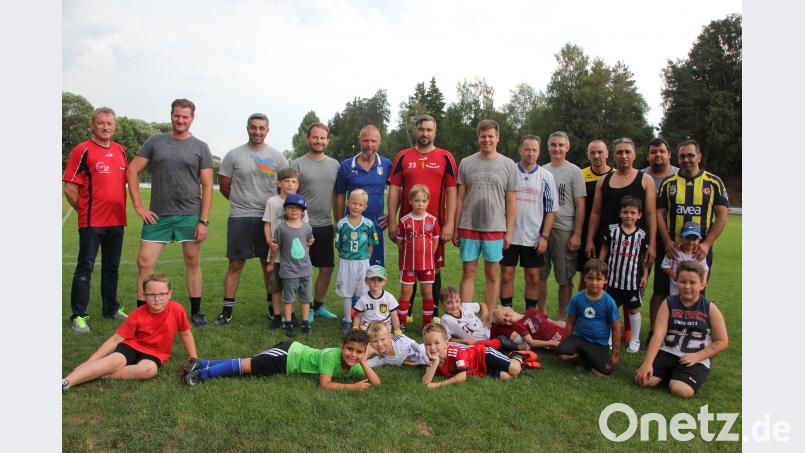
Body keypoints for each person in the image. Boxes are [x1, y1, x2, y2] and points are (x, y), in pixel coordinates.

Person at [126, 98, 213, 327]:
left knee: (192, 261)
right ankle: (141, 314)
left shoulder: (201, 147)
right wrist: (138, 206)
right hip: (159, 215)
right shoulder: (155, 142)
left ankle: (196, 311)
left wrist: (203, 221)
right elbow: (132, 170)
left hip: (189, 214)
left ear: (192, 119)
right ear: (171, 115)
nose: (180, 120)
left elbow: (207, 186)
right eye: (177, 115)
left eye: (185, 116)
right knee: (144, 262)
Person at [62, 273, 198, 393]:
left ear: (170, 294)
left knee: (149, 370)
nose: (157, 298)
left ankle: (103, 374)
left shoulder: (177, 310)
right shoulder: (138, 314)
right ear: (144, 295)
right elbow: (115, 339)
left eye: (162, 294)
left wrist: (194, 359)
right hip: (132, 346)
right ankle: (66, 382)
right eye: (151, 294)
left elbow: (185, 334)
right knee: (115, 360)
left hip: (156, 353)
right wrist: (89, 361)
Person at [652, 139, 729, 341]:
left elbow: (722, 216)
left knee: (695, 291)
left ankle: (694, 335)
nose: (686, 159)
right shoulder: (669, 184)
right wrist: (667, 242)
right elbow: (659, 214)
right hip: (671, 248)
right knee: (660, 291)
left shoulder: (713, 182)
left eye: (690, 155)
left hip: (698, 249)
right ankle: (655, 332)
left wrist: (706, 243)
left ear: (699, 157)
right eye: (682, 156)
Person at [215, 113, 289, 325]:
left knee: (269, 265)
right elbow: (225, 186)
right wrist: (241, 202)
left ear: (267, 130)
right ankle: (227, 310)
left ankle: (272, 309)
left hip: (270, 218)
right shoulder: (234, 155)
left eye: (261, 128)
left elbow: (286, 184)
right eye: (253, 127)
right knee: (236, 264)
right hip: (240, 216)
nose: (257, 131)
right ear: (247, 128)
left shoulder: (277, 156)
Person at [63, 107, 129, 333]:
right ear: (92, 124)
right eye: (100, 123)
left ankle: (111, 308)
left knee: (112, 268)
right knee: (85, 268)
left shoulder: (121, 151)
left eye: (109, 123)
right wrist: (83, 210)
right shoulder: (82, 150)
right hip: (92, 222)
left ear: (115, 126)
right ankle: (79, 315)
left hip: (117, 221)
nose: (105, 127)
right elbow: (70, 187)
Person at [388, 114, 458, 319]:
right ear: (415, 131)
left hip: (434, 226)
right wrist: (392, 221)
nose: (425, 133)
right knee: (410, 266)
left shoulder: (445, 157)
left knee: (433, 269)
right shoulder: (403, 156)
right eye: (421, 129)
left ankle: (433, 313)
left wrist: (450, 223)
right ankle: (406, 313)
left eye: (429, 129)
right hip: (409, 227)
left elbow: (452, 191)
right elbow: (394, 190)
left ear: (435, 132)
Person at [634, 261, 728, 398]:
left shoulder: (710, 308)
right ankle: (670, 373)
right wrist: (647, 363)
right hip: (669, 351)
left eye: (693, 282)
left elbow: (722, 341)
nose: (687, 286)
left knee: (680, 390)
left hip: (695, 356)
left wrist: (698, 356)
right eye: (683, 282)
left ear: (702, 284)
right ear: (676, 283)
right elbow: (658, 334)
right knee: (642, 380)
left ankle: (676, 376)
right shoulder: (669, 303)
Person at [454, 119, 519, 314]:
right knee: (469, 272)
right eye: (483, 136)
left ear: (497, 138)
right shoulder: (466, 162)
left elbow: (511, 201)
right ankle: (464, 317)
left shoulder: (508, 164)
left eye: (491, 136)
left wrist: (508, 231)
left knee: (492, 274)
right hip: (469, 226)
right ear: (478, 138)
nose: (487, 140)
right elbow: (459, 199)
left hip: (495, 227)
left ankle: (488, 317)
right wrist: (457, 227)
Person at [183, 330, 381, 391]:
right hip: (288, 356)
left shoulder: (354, 364)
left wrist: (364, 362)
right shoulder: (332, 356)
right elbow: (325, 384)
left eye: (358, 352)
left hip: (288, 356)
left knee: (248, 364)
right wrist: (352, 387)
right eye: (349, 349)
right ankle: (202, 375)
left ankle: (201, 363)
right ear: (342, 346)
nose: (352, 355)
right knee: (248, 366)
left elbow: (376, 382)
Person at [500, 134, 558, 311]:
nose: (530, 153)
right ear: (520, 150)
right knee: (507, 275)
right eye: (527, 149)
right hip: (509, 234)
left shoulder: (546, 177)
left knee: (533, 276)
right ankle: (507, 313)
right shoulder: (510, 172)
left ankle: (530, 315)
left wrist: (544, 237)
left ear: (539, 152)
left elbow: (551, 210)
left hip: (533, 237)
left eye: (534, 150)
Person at [291, 123, 341, 320]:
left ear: (327, 140)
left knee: (326, 268)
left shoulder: (335, 165)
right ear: (308, 139)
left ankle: (319, 305)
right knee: (303, 270)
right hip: (301, 226)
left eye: (322, 138)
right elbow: (289, 194)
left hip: (325, 225)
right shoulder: (297, 164)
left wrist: (337, 221)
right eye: (315, 137)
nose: (319, 141)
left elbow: (338, 195)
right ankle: (307, 306)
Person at [585, 137, 656, 268]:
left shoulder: (646, 180)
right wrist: (589, 240)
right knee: (603, 283)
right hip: (607, 244)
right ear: (613, 156)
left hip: (635, 246)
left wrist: (652, 244)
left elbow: (651, 215)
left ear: (634, 155)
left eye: (627, 152)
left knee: (633, 284)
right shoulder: (603, 180)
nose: (624, 156)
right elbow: (595, 213)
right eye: (619, 152)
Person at [538, 131, 586, 321]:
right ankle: (541, 314)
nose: (557, 149)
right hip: (542, 230)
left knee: (564, 278)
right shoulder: (542, 170)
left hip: (564, 229)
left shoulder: (574, 171)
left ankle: (562, 318)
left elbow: (581, 205)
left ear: (567, 147)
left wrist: (577, 233)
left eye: (561, 145)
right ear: (548, 147)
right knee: (540, 274)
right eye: (553, 145)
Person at [335, 124, 392, 267]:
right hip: (352, 226)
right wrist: (339, 222)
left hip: (376, 225)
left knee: (376, 270)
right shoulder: (347, 165)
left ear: (379, 141)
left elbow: (395, 190)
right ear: (359, 141)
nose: (369, 144)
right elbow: (340, 194)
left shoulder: (386, 164)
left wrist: (391, 215)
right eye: (366, 140)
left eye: (373, 141)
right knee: (353, 267)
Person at [598, 196, 649, 353]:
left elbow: (643, 258)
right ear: (620, 213)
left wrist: (645, 275)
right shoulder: (612, 230)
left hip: (632, 282)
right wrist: (600, 267)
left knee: (634, 310)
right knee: (610, 309)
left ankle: (635, 340)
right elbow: (605, 249)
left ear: (639, 215)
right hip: (613, 280)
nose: (629, 215)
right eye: (625, 212)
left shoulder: (641, 235)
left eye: (633, 213)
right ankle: (609, 337)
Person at [555, 259, 621, 377]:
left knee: (603, 373)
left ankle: (585, 360)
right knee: (562, 354)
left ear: (605, 280)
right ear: (584, 278)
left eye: (598, 279)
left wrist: (615, 355)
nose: (594, 283)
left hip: (599, 343)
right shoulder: (577, 298)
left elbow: (616, 329)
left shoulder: (609, 302)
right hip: (579, 338)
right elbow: (570, 322)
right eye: (590, 278)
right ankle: (583, 356)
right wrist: (568, 341)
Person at [262, 167, 310, 330]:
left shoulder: (301, 202)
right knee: (275, 286)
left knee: (294, 286)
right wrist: (269, 240)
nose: (290, 184)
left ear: (298, 184)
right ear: (279, 183)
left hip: (295, 256)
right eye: (287, 181)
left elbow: (306, 227)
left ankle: (292, 316)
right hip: (276, 253)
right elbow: (267, 222)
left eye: (294, 181)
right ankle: (276, 316)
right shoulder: (272, 202)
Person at [267, 194, 315, 337]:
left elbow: (307, 244)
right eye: (291, 208)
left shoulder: (307, 228)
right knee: (288, 299)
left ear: (302, 212)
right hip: (288, 272)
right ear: (285, 210)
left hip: (305, 270)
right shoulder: (281, 229)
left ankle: (305, 323)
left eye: (298, 208)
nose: (294, 211)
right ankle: (288, 323)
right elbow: (276, 248)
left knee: (306, 298)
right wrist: (271, 263)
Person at [421, 323, 524, 389]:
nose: (432, 348)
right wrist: (435, 362)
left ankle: (517, 356)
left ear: (446, 344)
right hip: (478, 369)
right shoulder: (432, 359)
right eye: (428, 344)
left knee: (515, 370)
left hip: (483, 355)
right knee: (507, 376)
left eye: (437, 343)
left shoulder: (455, 352)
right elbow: (425, 382)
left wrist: (437, 385)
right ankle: (506, 356)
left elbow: (462, 376)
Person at [396, 184, 440, 329]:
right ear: (410, 201)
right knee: (404, 294)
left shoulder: (432, 221)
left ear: (428, 202)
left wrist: (428, 256)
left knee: (427, 294)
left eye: (423, 200)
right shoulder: (404, 221)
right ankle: (401, 323)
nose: (420, 203)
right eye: (416, 200)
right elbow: (400, 243)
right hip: (408, 264)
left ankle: (426, 325)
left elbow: (435, 241)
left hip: (427, 264)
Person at [334, 189, 379, 332]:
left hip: (363, 262)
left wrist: (365, 258)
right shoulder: (341, 224)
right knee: (347, 292)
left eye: (360, 205)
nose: (356, 207)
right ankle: (347, 320)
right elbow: (338, 245)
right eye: (354, 203)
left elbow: (372, 243)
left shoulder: (368, 224)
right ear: (348, 203)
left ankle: (363, 319)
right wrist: (346, 256)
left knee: (363, 291)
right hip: (346, 262)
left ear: (365, 207)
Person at [577, 140, 613, 291]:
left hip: (609, 232)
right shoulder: (580, 175)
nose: (597, 156)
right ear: (588, 155)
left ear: (607, 153)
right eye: (593, 152)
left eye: (600, 152)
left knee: (606, 276)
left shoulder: (616, 175)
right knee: (586, 274)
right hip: (587, 232)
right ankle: (580, 311)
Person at [661, 221, 709, 296]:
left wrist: (704, 279)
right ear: (681, 237)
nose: (691, 242)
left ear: (699, 239)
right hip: (675, 292)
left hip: (693, 292)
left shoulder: (700, 254)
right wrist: (673, 274)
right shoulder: (674, 251)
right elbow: (665, 265)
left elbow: (705, 268)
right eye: (688, 238)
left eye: (694, 239)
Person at [490, 305, 566, 350]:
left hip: (565, 332)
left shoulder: (531, 311)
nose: (507, 319)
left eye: (505, 315)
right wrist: (554, 343)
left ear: (510, 308)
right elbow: (531, 342)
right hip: (558, 342)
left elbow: (550, 321)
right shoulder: (518, 325)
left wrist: (567, 327)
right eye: (504, 321)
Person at [352, 266, 402, 333]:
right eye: (372, 279)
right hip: (367, 327)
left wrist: (397, 331)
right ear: (366, 280)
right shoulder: (363, 299)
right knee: (365, 342)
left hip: (384, 327)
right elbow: (358, 316)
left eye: (379, 280)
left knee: (384, 341)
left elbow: (394, 316)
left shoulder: (389, 297)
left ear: (384, 281)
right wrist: (355, 329)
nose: (376, 282)